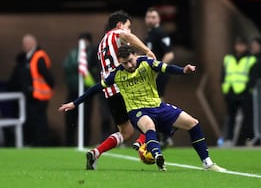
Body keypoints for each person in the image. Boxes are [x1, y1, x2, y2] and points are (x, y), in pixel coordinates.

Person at [59, 45, 226, 172]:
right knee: (149, 126)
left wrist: (184, 70)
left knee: (193, 123)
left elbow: (165, 68)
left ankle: (207, 163)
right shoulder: (116, 74)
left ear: (135, 55)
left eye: (131, 60)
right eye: (125, 63)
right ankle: (157, 154)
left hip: (158, 106)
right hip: (137, 111)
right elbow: (96, 88)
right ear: (120, 63)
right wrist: (75, 103)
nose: (129, 65)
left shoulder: (146, 62)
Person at [61, 10, 156, 160]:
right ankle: (142, 146)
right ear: (119, 25)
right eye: (128, 26)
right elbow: (127, 36)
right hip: (125, 88)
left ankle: (96, 152)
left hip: (110, 93)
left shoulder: (101, 45)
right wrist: (147, 51)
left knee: (126, 132)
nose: (129, 30)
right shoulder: (117, 34)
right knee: (154, 112)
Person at [133, 7, 175, 150]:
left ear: (158, 19)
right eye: (148, 17)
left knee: (157, 104)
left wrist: (158, 70)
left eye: (153, 17)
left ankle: (164, 136)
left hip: (159, 74)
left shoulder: (160, 33)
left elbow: (169, 54)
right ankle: (161, 136)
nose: (150, 19)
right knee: (153, 104)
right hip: (150, 75)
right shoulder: (149, 34)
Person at [17, 34, 54, 146]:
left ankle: (41, 143)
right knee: (33, 120)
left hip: (39, 95)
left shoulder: (38, 56)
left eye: (26, 43)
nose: (24, 46)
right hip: (32, 95)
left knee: (39, 121)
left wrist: (48, 87)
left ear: (33, 43)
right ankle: (35, 142)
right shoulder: (28, 57)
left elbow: (47, 76)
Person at [221, 37, 257, 146]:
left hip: (244, 92)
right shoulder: (228, 58)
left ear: (246, 46)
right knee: (231, 116)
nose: (239, 47)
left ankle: (248, 138)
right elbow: (223, 75)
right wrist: (224, 89)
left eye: (242, 45)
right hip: (231, 91)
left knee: (248, 116)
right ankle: (229, 139)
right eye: (238, 45)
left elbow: (253, 76)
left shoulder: (251, 59)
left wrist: (248, 87)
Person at [63, 32, 97, 146]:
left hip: (87, 92)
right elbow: (66, 66)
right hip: (73, 91)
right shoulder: (73, 53)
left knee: (85, 120)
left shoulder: (93, 53)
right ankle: (69, 143)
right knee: (70, 119)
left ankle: (85, 143)